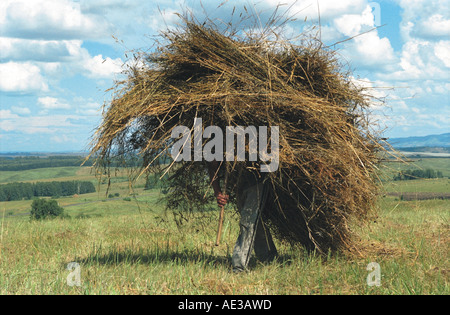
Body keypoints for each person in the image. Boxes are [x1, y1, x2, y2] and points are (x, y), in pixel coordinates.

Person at [207, 161, 278, 272]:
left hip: (257, 183)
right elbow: (213, 166)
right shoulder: (222, 147)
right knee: (255, 222)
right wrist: (218, 192)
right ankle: (269, 256)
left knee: (247, 222)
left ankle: (239, 266)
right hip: (239, 185)